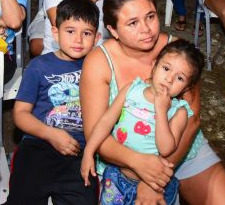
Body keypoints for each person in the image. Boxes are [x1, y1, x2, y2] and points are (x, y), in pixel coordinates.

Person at [81, 0, 225, 205]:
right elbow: (96, 135)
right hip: (124, 157)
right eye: (132, 23)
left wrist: (155, 179)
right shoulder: (99, 61)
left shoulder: (176, 52)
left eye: (150, 16)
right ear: (113, 30)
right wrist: (141, 166)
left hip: (180, 148)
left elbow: (193, 119)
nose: (146, 29)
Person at [81, 40, 204, 205]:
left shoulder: (179, 112)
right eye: (166, 68)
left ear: (186, 87)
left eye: (180, 78)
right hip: (117, 177)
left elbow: (166, 149)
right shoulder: (131, 90)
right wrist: (89, 151)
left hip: (156, 185)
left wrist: (161, 111)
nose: (169, 79)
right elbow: (106, 121)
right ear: (154, 66)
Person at [8, 0, 101, 205]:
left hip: (80, 152)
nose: (78, 40)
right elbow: (20, 114)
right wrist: (51, 134)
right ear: (55, 33)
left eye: (86, 33)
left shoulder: (98, 68)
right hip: (38, 145)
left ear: (96, 38)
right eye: (70, 31)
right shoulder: (39, 66)